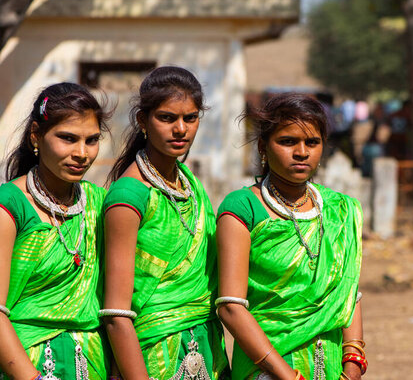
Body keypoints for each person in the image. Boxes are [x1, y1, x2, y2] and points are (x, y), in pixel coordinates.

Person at [216, 93, 365, 380]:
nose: (301, 152)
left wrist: (353, 364)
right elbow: (231, 307)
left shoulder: (341, 210)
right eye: (287, 141)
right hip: (266, 369)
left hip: (332, 367)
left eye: (312, 142)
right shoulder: (243, 207)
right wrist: (287, 376)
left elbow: (349, 296)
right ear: (263, 146)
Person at [102, 66, 229, 380]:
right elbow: (116, 314)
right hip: (150, 357)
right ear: (143, 121)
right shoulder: (130, 194)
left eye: (190, 117)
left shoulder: (191, 186)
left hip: (206, 350)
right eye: (167, 118)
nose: (181, 129)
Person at [0, 83, 111, 379]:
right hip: (24, 365)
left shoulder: (99, 204)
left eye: (92, 140)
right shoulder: (10, 205)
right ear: (36, 135)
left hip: (92, 364)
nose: (82, 153)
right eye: (68, 138)